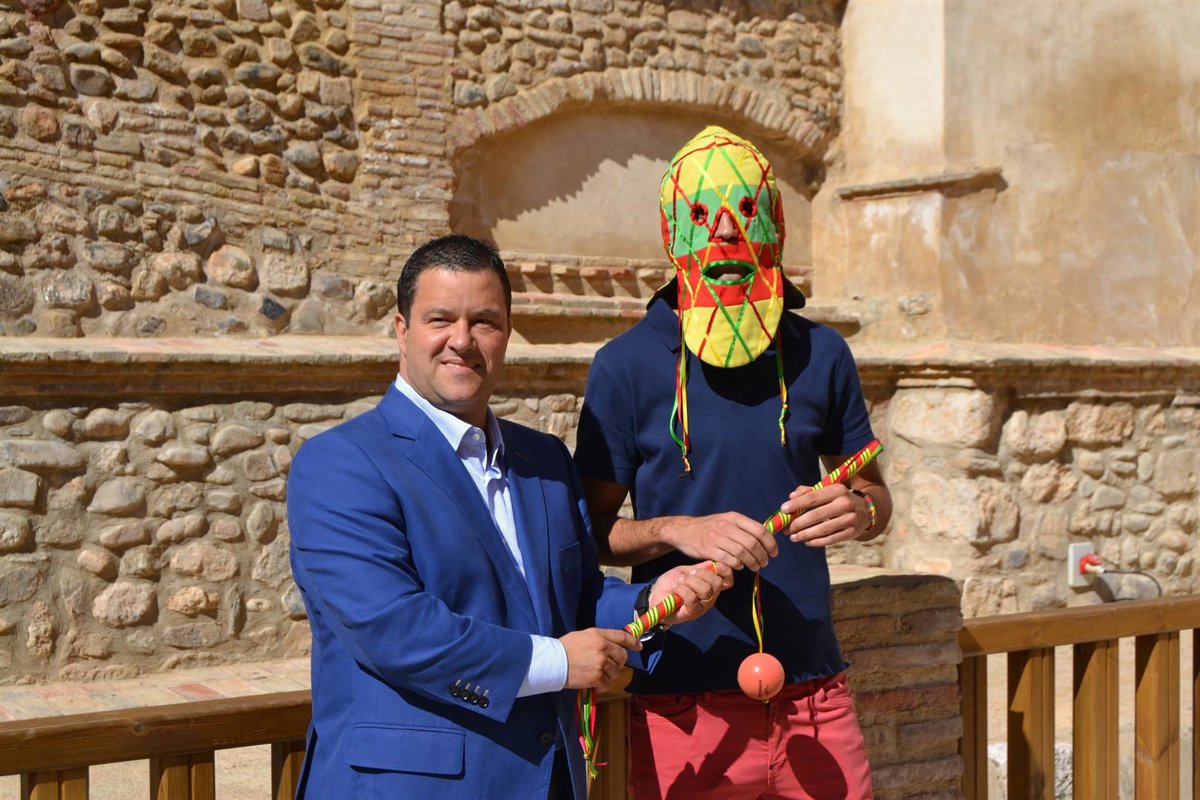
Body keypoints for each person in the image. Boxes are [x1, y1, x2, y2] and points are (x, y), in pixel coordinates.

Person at [287, 234, 730, 800]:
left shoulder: (544, 459)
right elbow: (394, 631)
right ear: (401, 330)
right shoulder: (340, 464)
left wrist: (650, 602)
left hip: (549, 781)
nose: (462, 340)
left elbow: (573, 599)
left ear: (507, 334)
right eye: (440, 319)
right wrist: (559, 663)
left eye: (485, 322)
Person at [574, 126, 894, 799]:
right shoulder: (624, 367)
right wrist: (677, 530)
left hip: (814, 695)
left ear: (775, 223)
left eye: (745, 210)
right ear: (673, 232)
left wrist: (860, 510)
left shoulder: (823, 353)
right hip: (682, 707)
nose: (724, 231)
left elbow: (872, 491)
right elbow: (588, 532)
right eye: (702, 214)